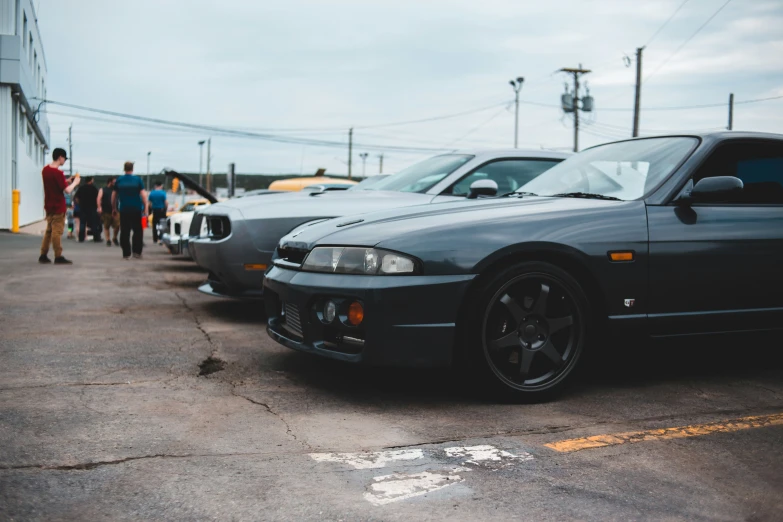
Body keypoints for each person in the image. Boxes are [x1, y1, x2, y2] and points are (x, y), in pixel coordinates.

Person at [40, 148, 80, 264]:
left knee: (49, 231)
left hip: (49, 205)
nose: (64, 161)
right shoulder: (58, 173)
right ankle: (58, 256)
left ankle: (43, 254)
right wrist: (75, 183)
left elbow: (55, 184)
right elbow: (67, 191)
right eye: (64, 158)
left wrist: (66, 180)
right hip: (58, 206)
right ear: (60, 157)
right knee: (57, 232)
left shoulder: (45, 170)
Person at [112, 161, 148, 259]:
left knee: (124, 231)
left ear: (124, 168)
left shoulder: (119, 180)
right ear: (132, 169)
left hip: (124, 209)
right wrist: (146, 208)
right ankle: (137, 252)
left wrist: (114, 208)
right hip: (136, 208)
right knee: (137, 231)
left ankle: (126, 253)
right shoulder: (137, 180)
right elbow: (144, 195)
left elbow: (114, 196)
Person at [75, 176, 101, 243]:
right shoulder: (94, 188)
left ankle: (81, 238)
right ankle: (96, 238)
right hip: (92, 208)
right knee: (94, 223)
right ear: (90, 180)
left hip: (83, 208)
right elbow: (98, 198)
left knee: (82, 223)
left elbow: (76, 198)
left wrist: (80, 204)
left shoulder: (81, 188)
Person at [98, 177, 120, 247]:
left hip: (116, 211)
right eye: (114, 182)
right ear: (110, 182)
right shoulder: (103, 189)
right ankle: (108, 240)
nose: (115, 183)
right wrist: (99, 207)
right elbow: (98, 198)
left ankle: (114, 237)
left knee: (117, 225)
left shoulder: (117, 189)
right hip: (106, 210)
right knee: (106, 226)